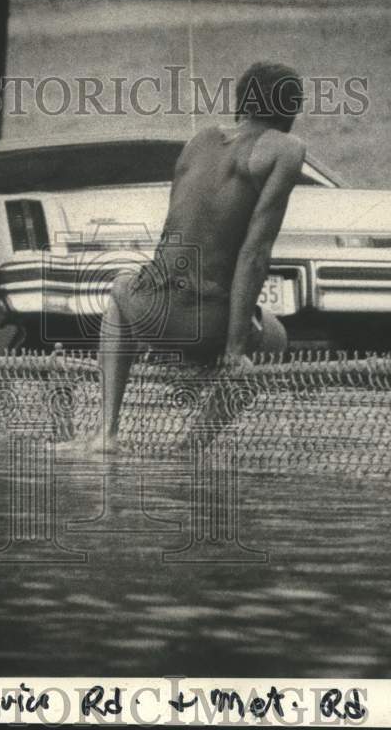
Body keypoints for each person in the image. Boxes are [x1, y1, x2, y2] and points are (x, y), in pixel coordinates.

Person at [95, 61, 307, 451]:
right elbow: (254, 254)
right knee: (275, 338)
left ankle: (105, 433)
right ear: (290, 108)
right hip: (204, 326)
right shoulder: (286, 149)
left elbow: (175, 229)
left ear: (242, 100)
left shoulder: (201, 138)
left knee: (121, 286)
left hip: (149, 313)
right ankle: (192, 447)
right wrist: (234, 349)